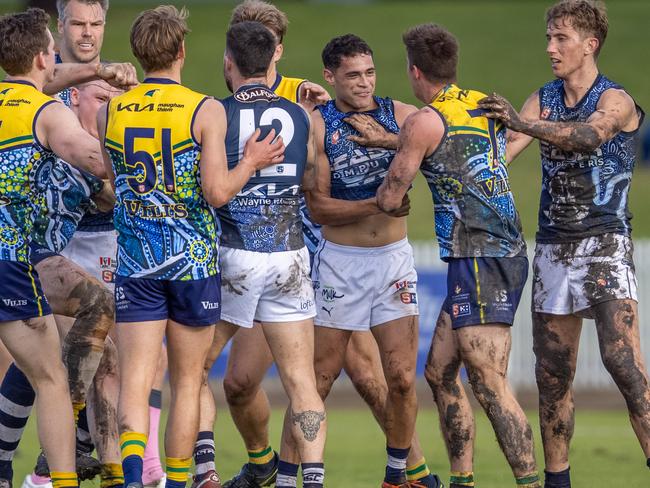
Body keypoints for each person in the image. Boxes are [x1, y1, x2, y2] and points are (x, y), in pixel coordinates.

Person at [96, 7, 283, 488]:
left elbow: (118, 188)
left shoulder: (107, 111)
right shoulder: (206, 109)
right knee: (185, 382)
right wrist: (255, 160)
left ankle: (134, 477)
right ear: (181, 50)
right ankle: (178, 483)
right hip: (192, 263)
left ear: (139, 52)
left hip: (136, 261)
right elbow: (218, 192)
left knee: (136, 381)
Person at [477, 1, 650, 486]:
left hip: (604, 245)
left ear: (590, 44)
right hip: (553, 248)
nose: (550, 48)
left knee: (624, 367)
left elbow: (589, 136)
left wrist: (522, 123)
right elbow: (501, 154)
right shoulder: (543, 97)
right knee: (552, 377)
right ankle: (558, 482)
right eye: (549, 37)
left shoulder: (616, 99)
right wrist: (411, 146)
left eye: (561, 38)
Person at [376, 23, 542, 488]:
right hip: (487, 253)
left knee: (489, 383)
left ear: (414, 72)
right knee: (440, 373)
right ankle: (462, 480)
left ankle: (531, 483)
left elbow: (391, 196)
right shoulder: (479, 104)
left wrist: (393, 163)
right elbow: (461, 150)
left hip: (482, 255)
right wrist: (394, 142)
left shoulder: (423, 121)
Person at [277, 33, 441, 488]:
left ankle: (396, 477)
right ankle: (289, 478)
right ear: (330, 76)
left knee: (403, 379)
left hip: (393, 261)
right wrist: (378, 203)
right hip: (341, 263)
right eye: (352, 76)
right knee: (318, 380)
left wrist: (392, 142)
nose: (364, 83)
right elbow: (318, 208)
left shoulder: (401, 117)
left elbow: (443, 154)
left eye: (369, 72)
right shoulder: (318, 125)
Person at [196, 19, 327, 488]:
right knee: (301, 380)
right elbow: (311, 180)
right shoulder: (298, 114)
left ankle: (204, 470)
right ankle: (310, 479)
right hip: (289, 256)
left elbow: (209, 187)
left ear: (229, 62)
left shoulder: (217, 113)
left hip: (236, 254)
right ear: (273, 60)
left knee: (193, 368)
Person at [0, 7, 111, 488]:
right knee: (50, 379)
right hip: (10, 259)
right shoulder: (45, 112)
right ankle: (58, 478)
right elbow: (93, 160)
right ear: (46, 56)